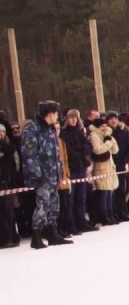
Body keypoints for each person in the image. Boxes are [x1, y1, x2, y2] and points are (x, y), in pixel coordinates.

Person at [20, 101, 71, 249]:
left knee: (54, 205)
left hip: (53, 175)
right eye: (56, 113)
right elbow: (29, 154)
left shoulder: (49, 129)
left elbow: (56, 154)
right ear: (50, 114)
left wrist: (60, 172)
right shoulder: (32, 129)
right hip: (41, 176)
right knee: (42, 205)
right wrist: (37, 174)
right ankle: (36, 236)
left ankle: (53, 233)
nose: (57, 117)